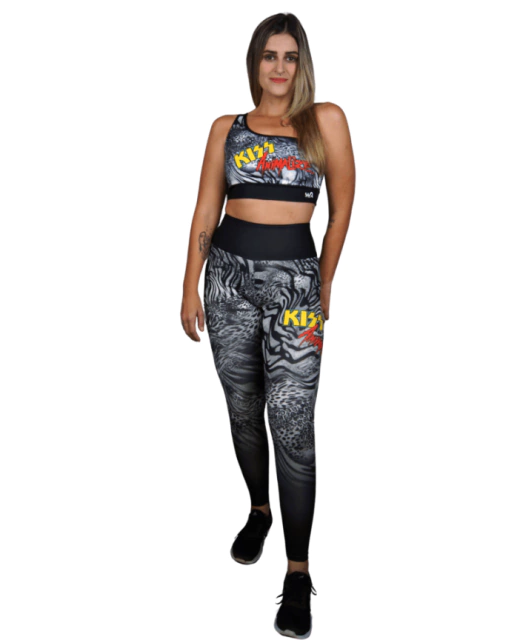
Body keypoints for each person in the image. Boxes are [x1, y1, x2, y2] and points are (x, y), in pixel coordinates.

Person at [181, 12, 355, 639]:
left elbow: (340, 209)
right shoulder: (226, 128)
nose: (279, 67)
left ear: (301, 63)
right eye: (269, 55)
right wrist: (189, 283)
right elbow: (207, 206)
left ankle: (298, 573)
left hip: (296, 288)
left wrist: (323, 280)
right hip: (227, 279)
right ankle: (259, 510)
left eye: (289, 56)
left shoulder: (324, 120)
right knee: (243, 409)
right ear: (254, 62)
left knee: (294, 426)